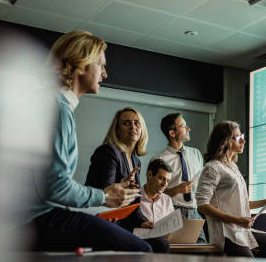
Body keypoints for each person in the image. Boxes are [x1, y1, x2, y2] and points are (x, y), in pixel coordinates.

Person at [29, 30, 151, 252]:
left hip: (33, 217)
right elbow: (56, 187)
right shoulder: (58, 110)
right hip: (37, 219)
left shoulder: (50, 104)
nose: (104, 74)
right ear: (81, 64)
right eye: (101, 65)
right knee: (142, 250)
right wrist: (104, 196)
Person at [196, 121, 266, 258]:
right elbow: (202, 206)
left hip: (242, 230)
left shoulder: (233, 167)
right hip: (227, 233)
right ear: (226, 141)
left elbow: (240, 202)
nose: (243, 140)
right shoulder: (212, 168)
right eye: (237, 137)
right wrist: (236, 220)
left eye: (242, 136)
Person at [84, 108, 168, 252]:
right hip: (104, 221)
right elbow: (106, 196)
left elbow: (134, 203)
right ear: (117, 130)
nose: (133, 127)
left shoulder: (136, 161)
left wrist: (142, 222)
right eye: (126, 123)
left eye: (137, 123)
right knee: (153, 246)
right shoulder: (107, 152)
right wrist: (123, 185)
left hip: (124, 223)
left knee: (161, 243)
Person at [151, 113, 206, 242]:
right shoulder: (159, 160)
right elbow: (152, 194)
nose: (188, 128)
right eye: (183, 126)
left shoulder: (196, 154)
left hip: (195, 211)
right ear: (172, 133)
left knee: (202, 249)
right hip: (173, 211)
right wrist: (176, 190)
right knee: (177, 253)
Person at [132, 159, 175, 251]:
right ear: (149, 175)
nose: (165, 184)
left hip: (163, 245)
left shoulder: (167, 200)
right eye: (161, 178)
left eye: (167, 180)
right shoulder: (134, 197)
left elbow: (171, 228)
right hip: (140, 244)